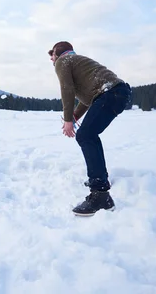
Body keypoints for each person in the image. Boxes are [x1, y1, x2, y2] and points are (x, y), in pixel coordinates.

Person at [49, 41, 132, 216]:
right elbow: (89, 99)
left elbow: (67, 88)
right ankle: (100, 179)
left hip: (110, 93)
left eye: (52, 54)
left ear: (57, 53)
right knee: (88, 135)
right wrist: (73, 117)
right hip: (117, 93)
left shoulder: (63, 62)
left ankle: (100, 194)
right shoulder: (78, 62)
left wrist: (67, 119)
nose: (51, 59)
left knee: (85, 136)